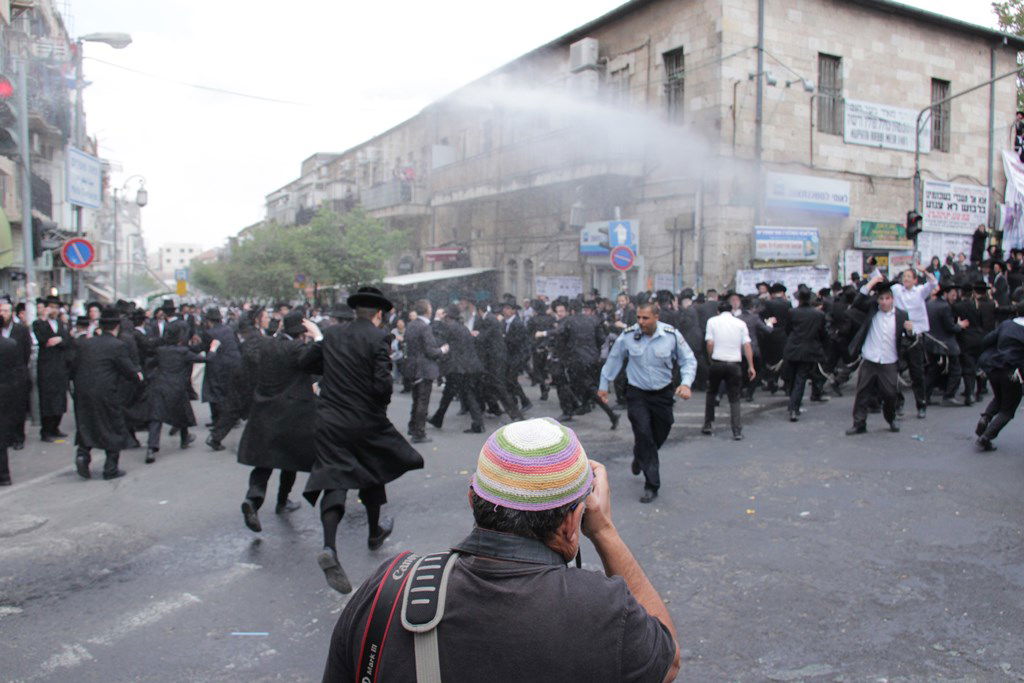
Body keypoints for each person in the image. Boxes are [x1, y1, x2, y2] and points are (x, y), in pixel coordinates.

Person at [321, 418, 680, 683]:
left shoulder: (390, 588)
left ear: (471, 499)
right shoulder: (601, 610)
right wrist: (603, 530)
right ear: (574, 522)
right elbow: (668, 662)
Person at [298, 287, 424, 594]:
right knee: (373, 467)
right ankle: (373, 531)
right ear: (379, 314)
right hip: (364, 418)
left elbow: (306, 362)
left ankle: (330, 546)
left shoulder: (333, 334)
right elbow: (382, 384)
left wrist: (331, 363)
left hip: (330, 418)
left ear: (356, 311)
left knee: (334, 477)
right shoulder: (379, 337)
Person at [598, 302, 696, 503]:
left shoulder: (671, 336)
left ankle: (640, 454)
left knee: (663, 429)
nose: (641, 322)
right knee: (643, 432)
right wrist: (603, 385)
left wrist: (686, 384)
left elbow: (688, 360)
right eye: (639, 318)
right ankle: (651, 484)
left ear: (656, 317)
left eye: (645, 318)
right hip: (637, 394)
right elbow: (614, 359)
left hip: (663, 393)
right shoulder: (628, 336)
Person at [238, 311, 317, 532]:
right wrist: (318, 337)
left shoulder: (266, 345)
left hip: (265, 408)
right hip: (291, 412)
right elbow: (317, 360)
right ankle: (283, 500)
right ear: (302, 333)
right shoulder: (297, 349)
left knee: (264, 461)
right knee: (288, 460)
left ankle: (253, 499)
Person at [70, 307, 143, 480]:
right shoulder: (117, 346)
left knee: (87, 423)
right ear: (117, 327)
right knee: (112, 426)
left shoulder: (85, 343)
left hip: (83, 391)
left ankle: (82, 454)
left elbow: (73, 366)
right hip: (106, 392)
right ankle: (110, 468)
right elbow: (128, 370)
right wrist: (138, 376)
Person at [845, 277, 916, 435]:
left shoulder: (902, 315)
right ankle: (859, 423)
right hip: (870, 358)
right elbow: (858, 300)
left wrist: (911, 331)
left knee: (890, 394)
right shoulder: (871, 311)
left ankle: (891, 419)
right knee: (862, 393)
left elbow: (909, 338)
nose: (884, 302)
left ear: (892, 299)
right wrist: (872, 282)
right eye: (881, 299)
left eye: (887, 298)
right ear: (877, 300)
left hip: (889, 361)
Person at [145, 320, 205, 463]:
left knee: (156, 418)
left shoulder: (161, 351)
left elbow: (149, 364)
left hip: (160, 385)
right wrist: (213, 348)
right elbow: (204, 359)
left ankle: (151, 448)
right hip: (177, 387)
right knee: (181, 412)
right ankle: (184, 438)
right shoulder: (183, 352)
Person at [886, 265, 937, 419]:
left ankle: (921, 404)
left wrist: (925, 272)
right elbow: (883, 283)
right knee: (894, 371)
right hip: (900, 336)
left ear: (915, 280)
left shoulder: (920, 291)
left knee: (917, 373)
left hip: (915, 337)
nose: (906, 279)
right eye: (904, 276)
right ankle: (898, 403)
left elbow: (933, 284)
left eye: (909, 277)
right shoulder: (896, 290)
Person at [975, 300, 1024, 450]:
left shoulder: (1006, 324)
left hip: (994, 367)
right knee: (1008, 410)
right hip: (1013, 372)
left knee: (999, 397)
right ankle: (986, 437)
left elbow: (987, 340)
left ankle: (986, 417)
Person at [703, 300, 755, 440]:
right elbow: (747, 345)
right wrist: (751, 366)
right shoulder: (740, 324)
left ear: (718, 311)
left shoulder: (712, 321)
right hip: (734, 363)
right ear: (731, 310)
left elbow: (710, 343)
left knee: (711, 392)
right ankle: (736, 430)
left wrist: (711, 358)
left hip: (717, 361)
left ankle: (708, 423)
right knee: (734, 397)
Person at [429, 305, 485, 433]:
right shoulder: (462, 327)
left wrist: (436, 320)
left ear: (448, 316)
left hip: (459, 368)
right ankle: (438, 418)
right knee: (449, 393)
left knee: (467, 394)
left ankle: (478, 423)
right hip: (466, 366)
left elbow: (438, 340)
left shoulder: (450, 327)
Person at [402, 299, 449, 443]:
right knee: (423, 400)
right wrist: (442, 350)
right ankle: (419, 432)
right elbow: (430, 351)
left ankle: (413, 426)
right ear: (428, 310)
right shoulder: (424, 327)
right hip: (424, 368)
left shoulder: (411, 325)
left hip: (413, 367)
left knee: (416, 399)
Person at [783, 290, 829, 422]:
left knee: (793, 377)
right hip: (809, 349)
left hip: (792, 348)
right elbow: (823, 333)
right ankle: (794, 407)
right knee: (800, 378)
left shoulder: (792, 312)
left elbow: (788, 329)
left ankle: (793, 404)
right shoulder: (818, 314)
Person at [201, 307, 243, 449]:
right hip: (236, 365)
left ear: (208, 321)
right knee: (234, 400)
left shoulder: (209, 333)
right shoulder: (229, 329)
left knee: (222, 396)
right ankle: (218, 432)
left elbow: (206, 350)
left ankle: (217, 428)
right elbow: (238, 346)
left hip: (218, 367)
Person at [33, 295, 73, 441]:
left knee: (60, 398)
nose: (53, 310)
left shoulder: (61, 323)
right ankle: (46, 430)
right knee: (47, 399)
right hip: (46, 367)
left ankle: (56, 427)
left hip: (60, 366)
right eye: (51, 307)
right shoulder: (39, 323)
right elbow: (43, 339)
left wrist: (60, 339)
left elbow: (68, 340)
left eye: (56, 307)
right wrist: (43, 318)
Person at [924, 282, 968, 406]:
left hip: (931, 341)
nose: (955, 297)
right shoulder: (945, 307)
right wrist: (960, 325)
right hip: (945, 343)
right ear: (945, 294)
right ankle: (949, 395)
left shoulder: (930, 304)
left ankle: (925, 396)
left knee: (934, 370)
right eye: (952, 294)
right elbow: (950, 327)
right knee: (956, 370)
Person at [1, 299, 31, 450]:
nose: (2, 314)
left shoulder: (21, 330)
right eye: (1, 311)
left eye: (5, 311)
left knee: (18, 407)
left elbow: (26, 352)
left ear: (11, 313)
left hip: (17, 374)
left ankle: (18, 438)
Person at [501, 300, 532, 412]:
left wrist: (504, 337)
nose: (505, 310)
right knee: (510, 380)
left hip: (518, 356)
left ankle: (524, 401)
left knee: (511, 379)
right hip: (510, 356)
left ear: (514, 311)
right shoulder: (505, 323)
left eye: (508, 308)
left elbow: (517, 341)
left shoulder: (518, 323)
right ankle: (514, 403)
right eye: (504, 308)